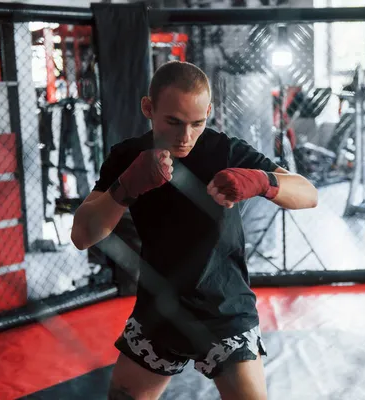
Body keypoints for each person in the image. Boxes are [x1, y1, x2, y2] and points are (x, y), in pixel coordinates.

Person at [70, 61, 318, 400]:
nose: (185, 136)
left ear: (209, 112)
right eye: (173, 122)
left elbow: (308, 193)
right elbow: (82, 235)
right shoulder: (128, 157)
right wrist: (125, 187)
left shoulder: (226, 151)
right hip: (159, 312)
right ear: (148, 108)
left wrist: (263, 181)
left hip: (224, 312)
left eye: (197, 123)